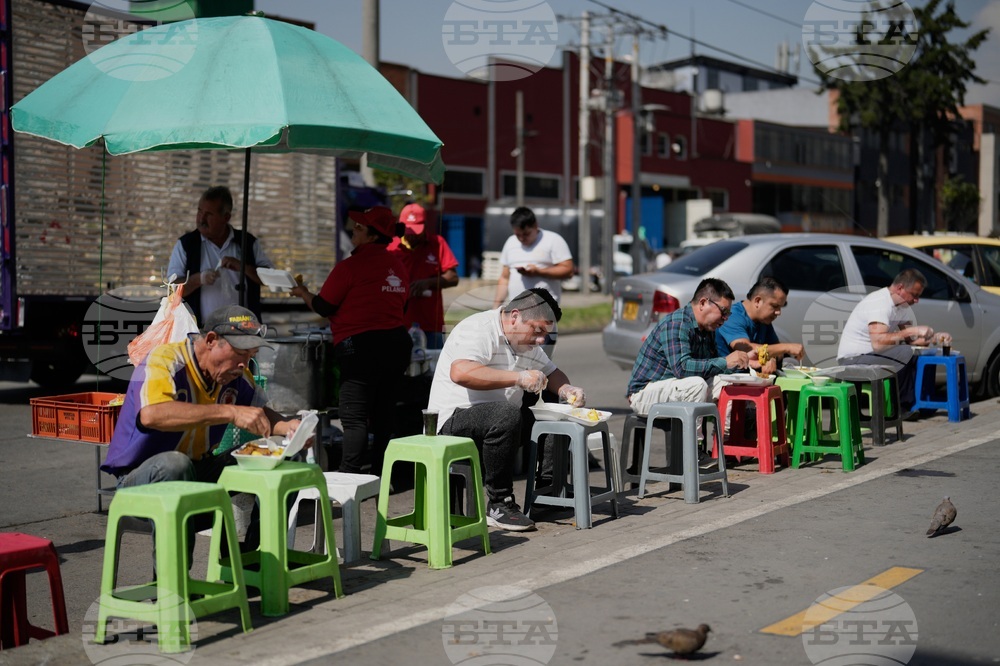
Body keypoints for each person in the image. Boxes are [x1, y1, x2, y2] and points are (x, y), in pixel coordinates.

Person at [102, 305, 301, 558]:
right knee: (176, 465)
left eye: (251, 355)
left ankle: (251, 559)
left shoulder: (237, 375)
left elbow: (262, 413)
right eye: (239, 352)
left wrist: (289, 427)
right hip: (140, 480)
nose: (244, 363)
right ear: (210, 341)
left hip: (199, 471)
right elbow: (152, 414)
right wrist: (230, 413)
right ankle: (172, 586)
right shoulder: (165, 360)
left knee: (282, 455)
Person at [427, 288, 586, 532]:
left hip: (500, 426)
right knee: (506, 413)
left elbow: (552, 372)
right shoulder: (479, 329)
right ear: (514, 317)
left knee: (556, 412)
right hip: (454, 421)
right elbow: (460, 372)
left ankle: (547, 491)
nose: (542, 339)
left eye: (547, 334)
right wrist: (518, 378)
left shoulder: (527, 344)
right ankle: (500, 503)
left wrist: (566, 388)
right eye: (538, 330)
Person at [291, 206, 412, 475]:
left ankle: (349, 476)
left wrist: (302, 292)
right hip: (396, 344)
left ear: (371, 236)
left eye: (359, 227)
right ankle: (383, 476)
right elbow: (401, 306)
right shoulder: (398, 265)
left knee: (355, 419)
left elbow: (324, 306)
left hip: (361, 347)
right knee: (383, 417)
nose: (353, 229)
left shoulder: (350, 266)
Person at [627, 278, 749, 416]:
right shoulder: (677, 323)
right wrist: (726, 361)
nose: (725, 318)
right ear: (703, 303)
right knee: (696, 386)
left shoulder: (708, 330)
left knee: (727, 385)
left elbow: (711, 367)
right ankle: (692, 438)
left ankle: (725, 437)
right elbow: (682, 368)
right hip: (644, 393)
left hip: (677, 387)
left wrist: (740, 369)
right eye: (723, 311)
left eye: (728, 314)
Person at [837, 268, 951, 411]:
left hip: (869, 355)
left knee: (918, 355)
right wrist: (912, 330)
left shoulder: (901, 307)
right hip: (853, 358)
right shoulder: (879, 303)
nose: (916, 300)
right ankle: (903, 408)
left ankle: (922, 404)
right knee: (905, 354)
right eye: (914, 295)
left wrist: (936, 338)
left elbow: (912, 341)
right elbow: (878, 343)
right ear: (900, 288)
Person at [167, 186, 274, 323]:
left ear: (226, 217)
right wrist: (199, 279)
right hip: (200, 333)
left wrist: (243, 267)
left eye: (209, 214)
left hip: (244, 331)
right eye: (199, 211)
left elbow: (270, 277)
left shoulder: (247, 243)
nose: (201, 219)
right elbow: (172, 289)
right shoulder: (186, 244)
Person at [387, 203, 460, 349]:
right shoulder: (390, 247)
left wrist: (429, 282)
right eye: (408, 230)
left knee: (433, 369)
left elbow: (453, 278)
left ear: (425, 225)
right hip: (396, 324)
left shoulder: (437, 243)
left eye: (416, 231)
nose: (412, 235)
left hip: (430, 325)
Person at [715, 276, 805, 374]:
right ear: (757, 301)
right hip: (728, 375)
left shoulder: (764, 320)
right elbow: (745, 348)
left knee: (792, 363)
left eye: (780, 307)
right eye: (775, 306)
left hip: (751, 374)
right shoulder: (733, 316)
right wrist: (787, 347)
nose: (778, 312)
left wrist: (771, 357)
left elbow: (777, 351)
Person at [493, 207, 575, 308]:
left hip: (544, 310)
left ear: (535, 225)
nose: (522, 238)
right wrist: (495, 307)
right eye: (518, 235)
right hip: (516, 311)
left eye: (526, 234)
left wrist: (538, 272)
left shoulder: (553, 240)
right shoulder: (510, 242)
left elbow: (569, 271)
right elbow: (505, 278)